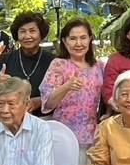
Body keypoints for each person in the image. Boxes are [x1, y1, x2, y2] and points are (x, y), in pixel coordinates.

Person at [40, 17, 105, 150]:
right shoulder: (58, 65)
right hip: (64, 135)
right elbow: (48, 104)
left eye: (83, 38)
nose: (78, 43)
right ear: (65, 41)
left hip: (93, 135)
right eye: (73, 38)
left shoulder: (99, 66)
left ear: (90, 39)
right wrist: (67, 86)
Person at [0, 11, 51, 112]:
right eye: (22, 31)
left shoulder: (53, 61)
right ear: (17, 35)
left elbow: (63, 94)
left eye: (32, 31)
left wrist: (40, 101)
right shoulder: (5, 58)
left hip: (45, 117)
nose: (27, 36)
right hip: (10, 116)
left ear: (41, 34)